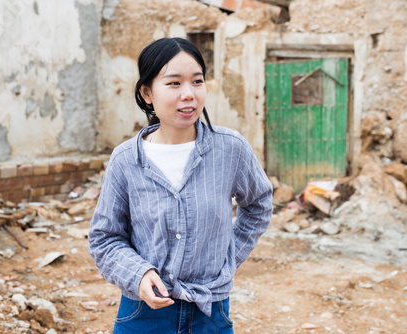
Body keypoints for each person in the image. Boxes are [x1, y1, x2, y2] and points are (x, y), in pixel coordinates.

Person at [88, 37, 273, 334]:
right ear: (147, 92)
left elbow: (259, 206)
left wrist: (228, 259)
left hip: (210, 312)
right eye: (174, 83)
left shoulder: (231, 149)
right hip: (143, 313)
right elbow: (105, 238)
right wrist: (138, 274)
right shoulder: (126, 160)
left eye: (197, 81)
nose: (189, 94)